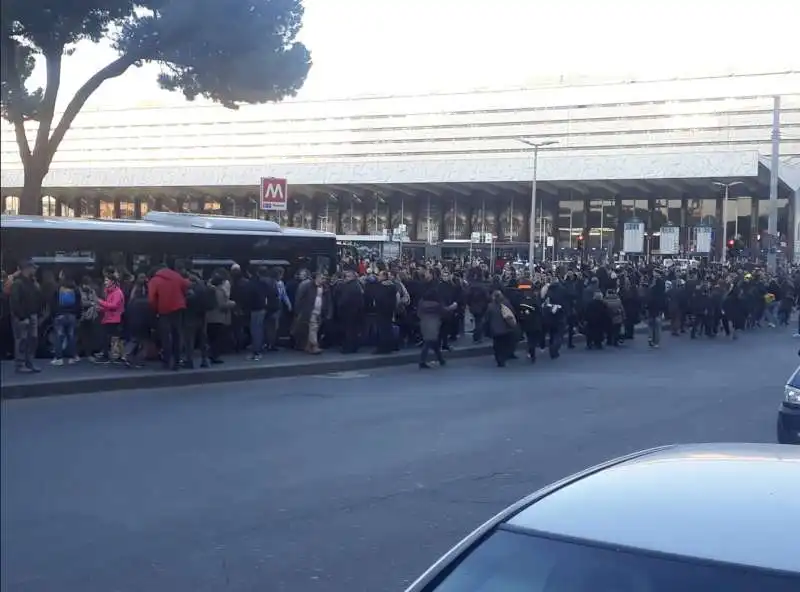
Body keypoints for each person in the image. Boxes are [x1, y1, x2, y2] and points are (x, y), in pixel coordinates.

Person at [148, 262, 190, 370]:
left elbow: (151, 299)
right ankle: (176, 361)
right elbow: (186, 286)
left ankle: (166, 362)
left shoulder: (155, 280)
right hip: (178, 308)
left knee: (166, 337)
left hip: (164, 310)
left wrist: (155, 309)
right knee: (177, 335)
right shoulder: (176, 275)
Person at [9, 260, 42, 373]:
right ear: (27, 269)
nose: (35, 270)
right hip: (22, 317)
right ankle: (20, 364)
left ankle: (29, 362)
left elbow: (38, 298)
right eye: (33, 268)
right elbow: (14, 302)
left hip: (32, 315)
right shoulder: (18, 283)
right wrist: (22, 316)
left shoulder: (33, 283)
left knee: (33, 339)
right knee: (22, 340)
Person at [417, 288, 455, 369]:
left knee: (432, 343)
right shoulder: (437, 304)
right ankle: (422, 361)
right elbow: (445, 311)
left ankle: (441, 360)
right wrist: (453, 307)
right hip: (434, 324)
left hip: (424, 323)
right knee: (429, 343)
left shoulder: (421, 303)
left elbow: (418, 313)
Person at [51, 271, 82, 365]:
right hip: (72, 315)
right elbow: (79, 304)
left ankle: (59, 358)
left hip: (60, 315)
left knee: (59, 336)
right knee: (71, 336)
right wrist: (77, 315)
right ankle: (74, 356)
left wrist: (54, 314)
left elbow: (53, 302)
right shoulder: (75, 288)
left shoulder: (58, 288)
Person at [485, 290, 517, 367]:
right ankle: (502, 358)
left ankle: (498, 358)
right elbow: (512, 313)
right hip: (505, 328)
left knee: (497, 345)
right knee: (504, 344)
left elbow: (487, 319)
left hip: (494, 329)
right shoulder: (506, 304)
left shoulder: (490, 306)